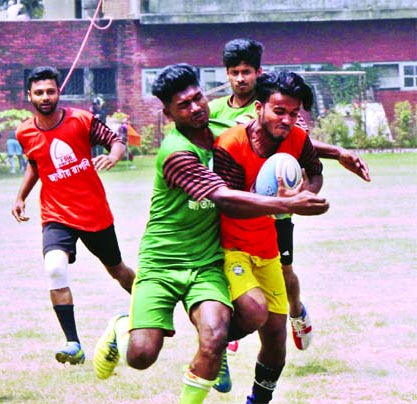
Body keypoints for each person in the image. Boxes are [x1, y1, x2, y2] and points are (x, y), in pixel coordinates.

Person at [92, 64, 329, 404]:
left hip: (208, 260)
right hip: (163, 260)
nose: (195, 108)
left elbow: (277, 132)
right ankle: (121, 325)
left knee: (220, 333)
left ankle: (213, 363)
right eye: (183, 105)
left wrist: (341, 154)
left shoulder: (221, 127)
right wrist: (284, 203)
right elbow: (221, 197)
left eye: (198, 98)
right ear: (168, 113)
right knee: (141, 355)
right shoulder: (175, 153)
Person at [209, 38, 371, 353]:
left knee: (283, 271)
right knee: (224, 266)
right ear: (226, 74)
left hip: (277, 212)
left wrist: (337, 152)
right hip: (235, 209)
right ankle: (225, 337)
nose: (241, 79)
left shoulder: (279, 106)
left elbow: (302, 143)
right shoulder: (214, 113)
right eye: (234, 72)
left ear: (259, 73)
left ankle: (295, 311)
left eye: (247, 72)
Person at [11, 66, 136, 366]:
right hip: (56, 213)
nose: (45, 97)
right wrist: (21, 196)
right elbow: (35, 164)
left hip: (93, 211)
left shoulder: (81, 119)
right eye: (39, 92)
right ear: (29, 95)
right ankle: (73, 343)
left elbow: (116, 141)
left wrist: (114, 155)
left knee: (117, 269)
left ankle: (151, 306)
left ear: (58, 92)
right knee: (54, 268)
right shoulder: (24, 131)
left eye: (50, 91)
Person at [213, 70, 323, 403]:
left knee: (276, 341)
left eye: (294, 113)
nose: (288, 120)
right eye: (280, 111)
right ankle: (213, 344)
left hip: (267, 249)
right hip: (230, 247)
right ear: (259, 108)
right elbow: (228, 204)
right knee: (254, 311)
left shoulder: (297, 139)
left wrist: (307, 193)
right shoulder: (231, 144)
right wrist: (282, 203)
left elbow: (315, 173)